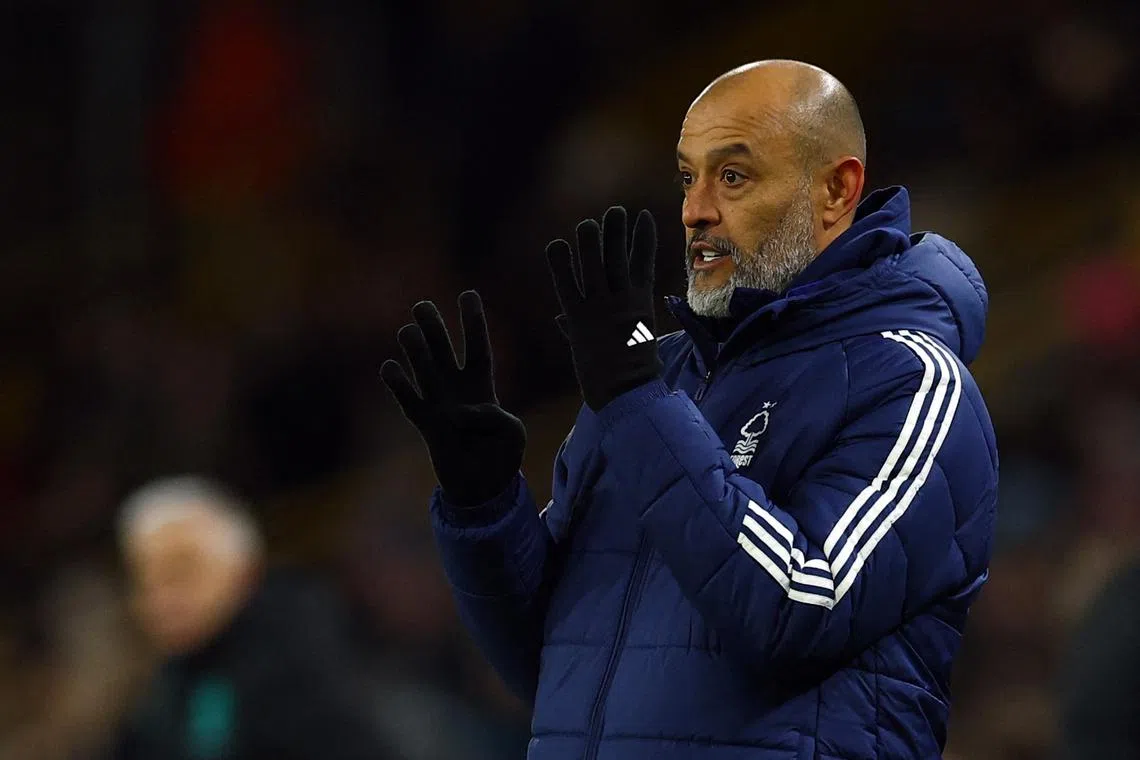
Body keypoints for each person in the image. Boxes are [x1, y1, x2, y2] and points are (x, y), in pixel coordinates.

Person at [382, 60, 998, 759]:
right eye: (686, 178)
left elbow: (800, 606)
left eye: (732, 176)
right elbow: (552, 669)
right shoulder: (654, 377)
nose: (694, 211)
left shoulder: (912, 380)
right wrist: (486, 509)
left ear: (836, 189)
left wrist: (637, 402)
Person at [106, 476, 398, 760]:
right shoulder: (166, 680)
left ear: (244, 569)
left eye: (183, 570)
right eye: (143, 579)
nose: (161, 597)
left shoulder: (303, 659)